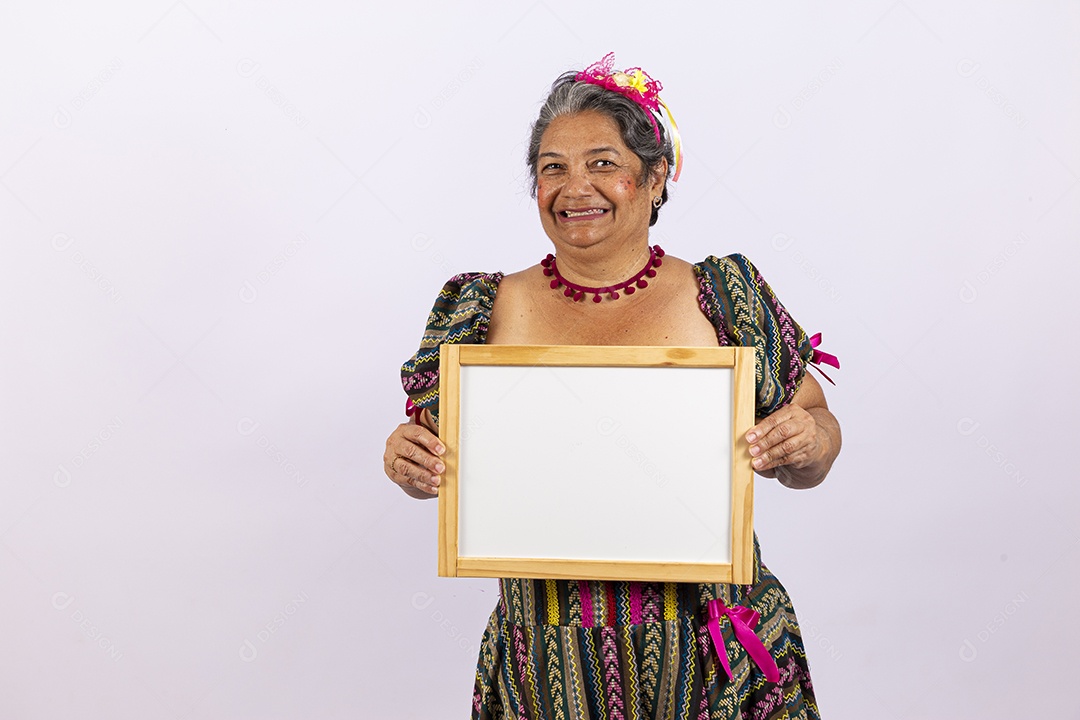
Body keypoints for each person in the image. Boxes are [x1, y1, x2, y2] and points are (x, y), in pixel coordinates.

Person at [384, 52, 841, 720]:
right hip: (546, 668)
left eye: (603, 163)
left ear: (655, 177)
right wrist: (406, 459)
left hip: (714, 664)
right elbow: (434, 454)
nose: (576, 188)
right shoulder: (481, 309)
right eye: (553, 168)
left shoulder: (723, 296)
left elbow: (817, 446)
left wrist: (809, 438)